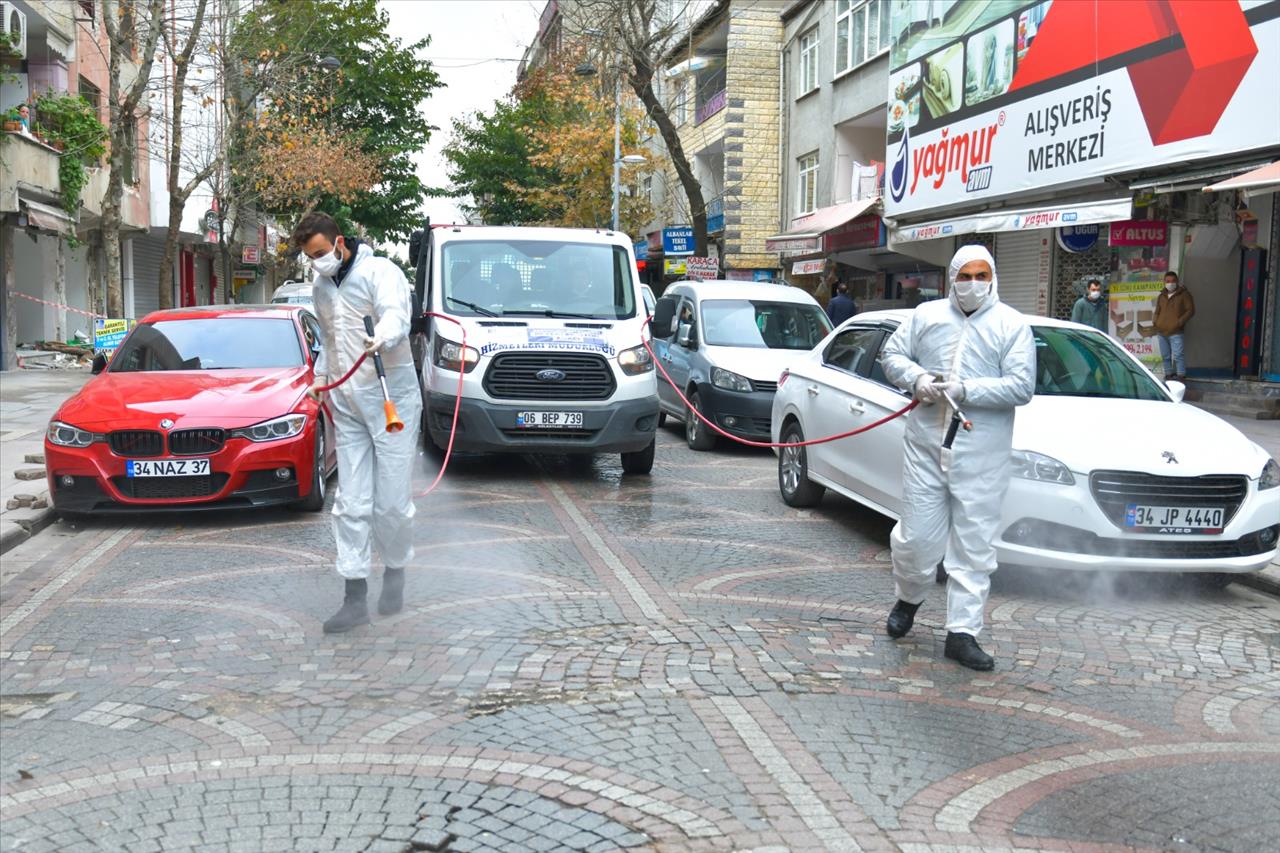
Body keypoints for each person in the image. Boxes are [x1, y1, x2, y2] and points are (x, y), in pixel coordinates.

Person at [879, 245, 1036, 671]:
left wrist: (967, 390)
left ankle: (962, 633)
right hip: (926, 444)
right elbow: (891, 355)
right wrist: (919, 379)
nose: (972, 283)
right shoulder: (926, 317)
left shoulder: (1011, 326)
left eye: (980, 275)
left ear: (993, 278)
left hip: (982, 452)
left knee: (974, 545)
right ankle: (909, 598)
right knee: (917, 538)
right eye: (964, 275)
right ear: (951, 278)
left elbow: (1021, 386)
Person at [293, 212, 423, 634]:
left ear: (339, 242)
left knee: (390, 504)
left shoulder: (380, 271)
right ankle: (354, 597)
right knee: (350, 502)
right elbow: (329, 342)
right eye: (310, 257)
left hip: (392, 402)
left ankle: (397, 572)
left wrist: (380, 336)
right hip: (347, 403)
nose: (316, 262)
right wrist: (319, 379)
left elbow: (396, 316)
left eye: (319, 253)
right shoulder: (320, 287)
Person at [1154, 271, 1194, 381]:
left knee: (1178, 356)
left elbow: (1190, 311)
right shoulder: (1161, 296)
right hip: (1161, 332)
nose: (1170, 283)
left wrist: (1179, 323)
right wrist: (1156, 322)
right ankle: (1168, 375)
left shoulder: (1184, 294)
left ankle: (1181, 376)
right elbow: (1157, 311)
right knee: (1165, 356)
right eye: (1168, 281)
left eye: (1173, 281)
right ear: (1164, 282)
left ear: (1177, 282)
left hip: (1176, 331)